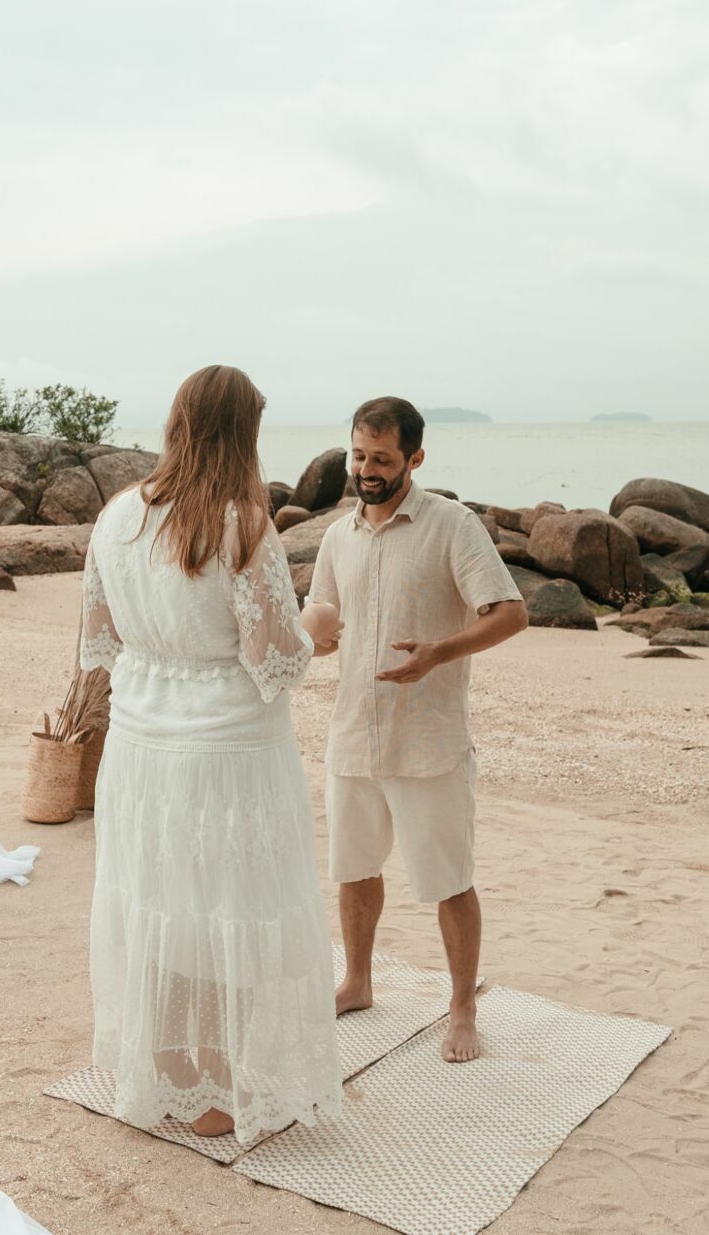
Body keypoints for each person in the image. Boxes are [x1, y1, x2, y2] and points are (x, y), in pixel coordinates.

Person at [80, 365, 341, 1141]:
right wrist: (317, 630)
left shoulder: (116, 515)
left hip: (141, 742)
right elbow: (274, 665)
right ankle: (226, 1089)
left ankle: (166, 1069)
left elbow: (99, 639)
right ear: (245, 433)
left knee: (160, 899)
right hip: (227, 750)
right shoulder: (242, 523)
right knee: (236, 908)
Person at [304, 397, 528, 1062]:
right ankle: (357, 981)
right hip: (352, 734)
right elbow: (322, 611)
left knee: (448, 880)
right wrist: (312, 639)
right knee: (352, 869)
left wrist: (439, 654)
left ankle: (462, 1008)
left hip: (429, 742)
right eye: (359, 456)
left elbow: (511, 613)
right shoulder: (339, 535)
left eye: (382, 459)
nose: (367, 471)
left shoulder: (451, 526)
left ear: (415, 459)